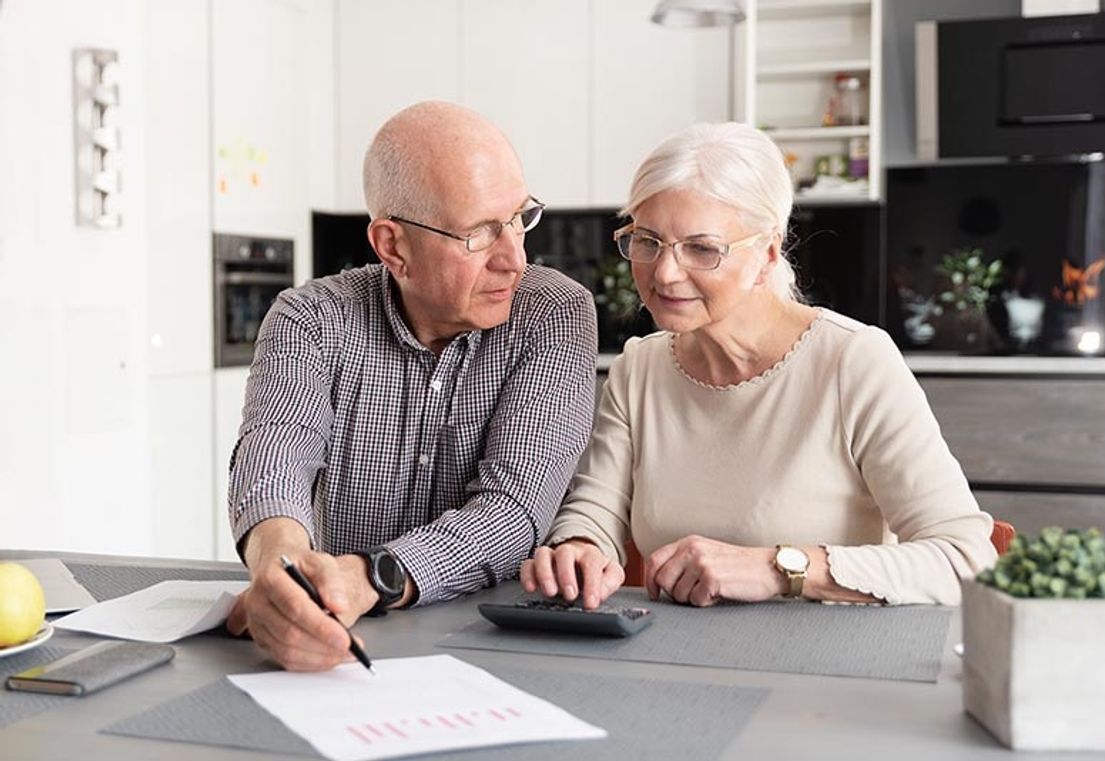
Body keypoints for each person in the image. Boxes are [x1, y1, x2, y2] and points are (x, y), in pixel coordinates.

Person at [521, 122, 996, 610]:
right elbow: (596, 512)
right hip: (678, 663)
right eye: (647, 241)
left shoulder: (853, 361)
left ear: (767, 254)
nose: (663, 272)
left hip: (824, 671)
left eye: (703, 249)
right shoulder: (639, 368)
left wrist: (780, 568)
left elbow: (965, 560)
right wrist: (576, 548)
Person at [225, 101, 598, 670]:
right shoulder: (309, 318)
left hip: (503, 648)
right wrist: (283, 571)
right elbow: (275, 460)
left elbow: (512, 511)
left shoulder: (554, 312)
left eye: (520, 218)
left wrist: (368, 576)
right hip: (343, 644)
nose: (515, 258)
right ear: (393, 246)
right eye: (479, 234)